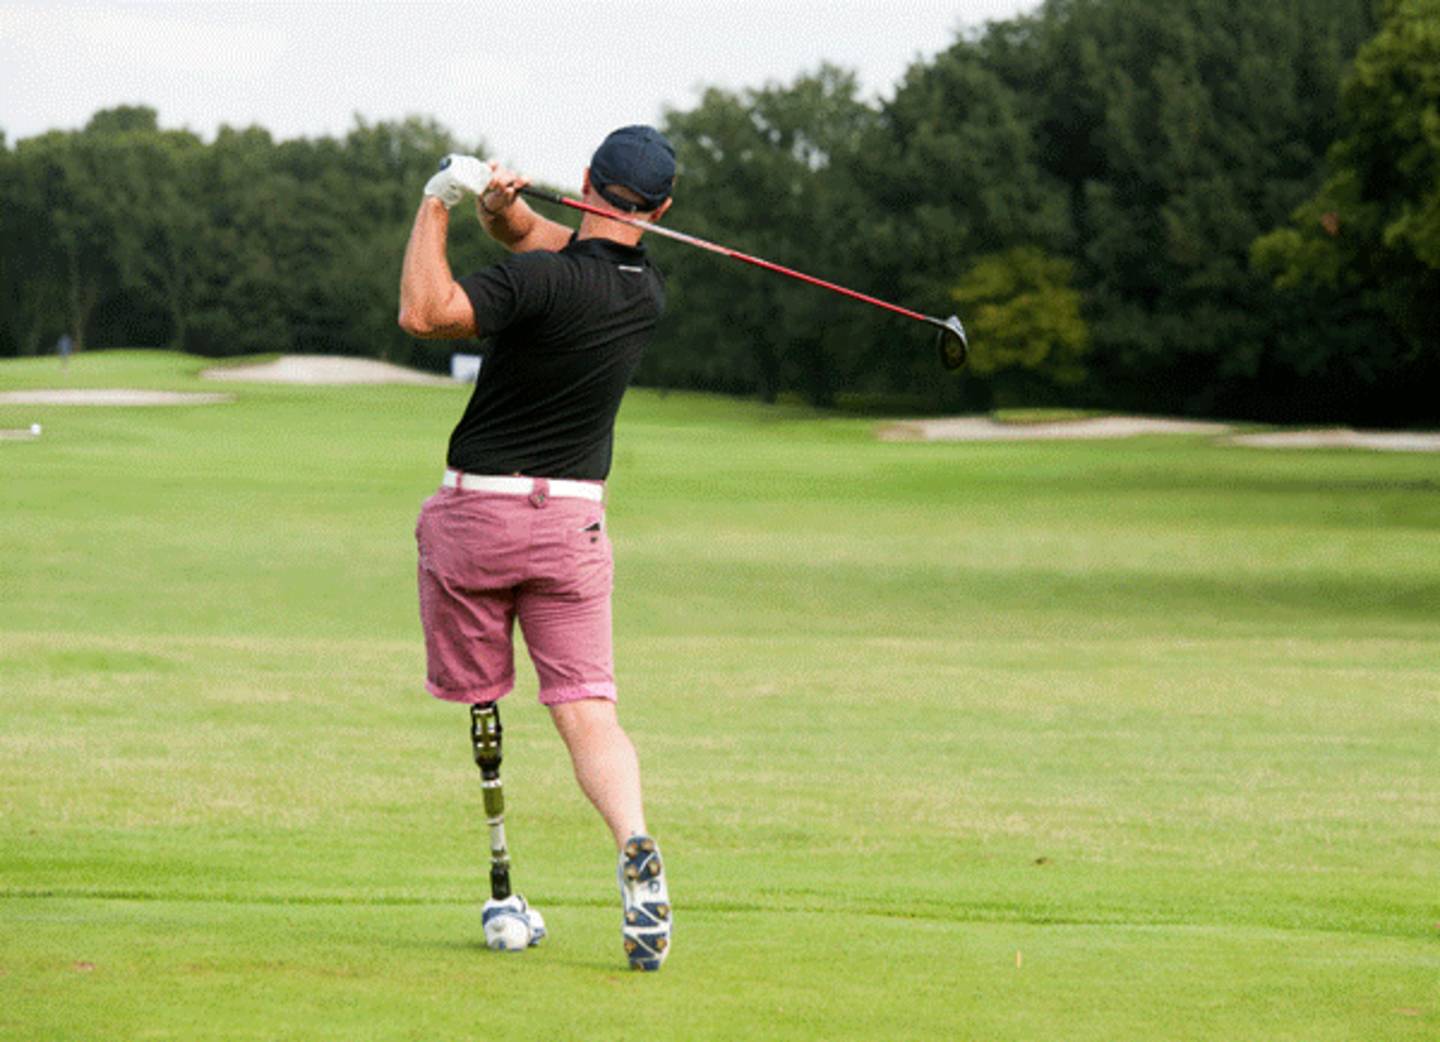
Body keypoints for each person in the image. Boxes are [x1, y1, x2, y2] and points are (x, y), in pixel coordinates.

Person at [397, 126, 676, 971]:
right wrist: (501, 210)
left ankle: (502, 882)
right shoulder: (644, 291)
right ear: (660, 210)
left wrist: (436, 205)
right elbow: (559, 247)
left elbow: (425, 312)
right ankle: (635, 845)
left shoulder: (536, 283)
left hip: (478, 520)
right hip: (572, 529)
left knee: (483, 694)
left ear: (587, 179)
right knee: (589, 711)